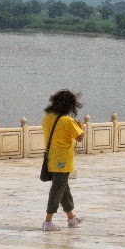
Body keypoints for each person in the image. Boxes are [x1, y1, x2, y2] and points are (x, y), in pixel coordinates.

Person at [41, 89, 86, 231]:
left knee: (63, 188)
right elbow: (79, 137)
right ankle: (48, 221)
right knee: (57, 189)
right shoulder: (67, 120)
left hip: (51, 158)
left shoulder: (48, 117)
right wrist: (81, 127)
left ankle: (71, 218)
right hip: (63, 159)